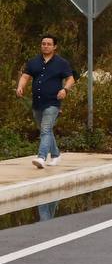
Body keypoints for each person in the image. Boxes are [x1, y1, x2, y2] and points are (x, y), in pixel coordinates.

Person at [16, 34, 77, 169]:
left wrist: (65, 90)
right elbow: (25, 77)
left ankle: (41, 157)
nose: (46, 46)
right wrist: (20, 86)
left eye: (49, 44)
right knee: (46, 130)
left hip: (53, 102)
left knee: (45, 129)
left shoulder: (62, 63)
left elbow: (71, 79)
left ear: (54, 46)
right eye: (43, 43)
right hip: (37, 102)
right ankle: (56, 155)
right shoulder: (33, 62)